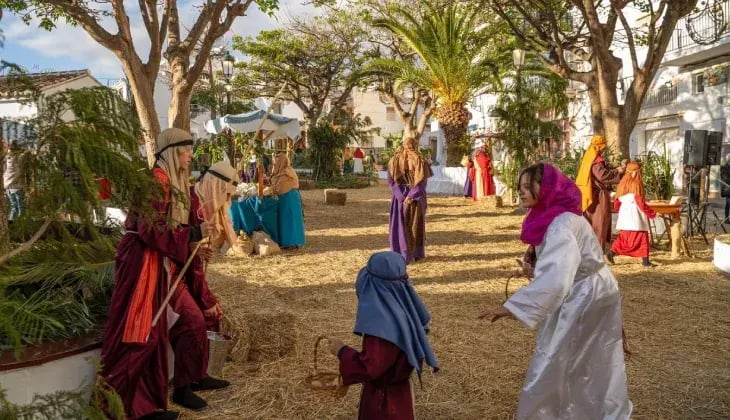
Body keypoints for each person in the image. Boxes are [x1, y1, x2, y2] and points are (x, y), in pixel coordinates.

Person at [478, 163, 632, 420]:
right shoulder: (554, 216)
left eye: (529, 186)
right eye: (520, 187)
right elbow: (563, 263)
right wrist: (533, 269)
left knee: (559, 360)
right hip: (588, 290)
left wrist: (511, 307)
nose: (522, 192)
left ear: (548, 187)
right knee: (588, 360)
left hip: (585, 297)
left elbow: (557, 279)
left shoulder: (561, 223)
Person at [100, 128, 227, 420]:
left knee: (152, 335)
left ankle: (144, 407)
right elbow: (149, 230)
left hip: (154, 261)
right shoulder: (156, 182)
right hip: (141, 264)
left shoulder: (167, 181)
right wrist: (192, 233)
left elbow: (162, 229)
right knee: (138, 334)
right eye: (186, 150)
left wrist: (191, 236)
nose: (191, 156)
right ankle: (117, 409)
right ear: (172, 152)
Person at [327, 251, 439, 420]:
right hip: (400, 394)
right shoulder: (405, 309)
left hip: (383, 404)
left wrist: (341, 351)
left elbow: (372, 367)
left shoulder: (382, 327)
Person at [387, 136, 433, 263]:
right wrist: (409, 196)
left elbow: (391, 182)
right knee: (412, 225)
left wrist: (403, 196)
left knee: (405, 225)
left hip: (403, 199)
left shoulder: (395, 160)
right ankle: (410, 254)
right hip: (411, 199)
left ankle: (403, 253)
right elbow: (422, 183)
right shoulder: (420, 161)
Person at [576, 134, 625, 250]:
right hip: (596, 196)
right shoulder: (596, 160)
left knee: (593, 221)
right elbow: (602, 176)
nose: (604, 149)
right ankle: (597, 249)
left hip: (590, 194)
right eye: (603, 147)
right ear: (599, 146)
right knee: (600, 222)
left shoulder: (588, 158)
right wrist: (617, 171)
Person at [607, 162, 657, 267]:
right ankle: (645, 262)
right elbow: (641, 203)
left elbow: (617, 203)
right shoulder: (636, 184)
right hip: (635, 217)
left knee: (624, 239)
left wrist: (620, 210)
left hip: (625, 216)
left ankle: (644, 261)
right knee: (640, 238)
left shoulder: (622, 184)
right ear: (635, 173)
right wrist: (652, 213)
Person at [270, 153, 305, 249]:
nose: (275, 164)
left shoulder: (287, 172)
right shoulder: (281, 171)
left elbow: (281, 187)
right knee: (287, 220)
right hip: (286, 198)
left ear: (282, 162)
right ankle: (291, 242)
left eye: (277, 162)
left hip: (289, 198)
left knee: (290, 220)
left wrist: (271, 189)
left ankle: (292, 243)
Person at [3, 140, 24, 221]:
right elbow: (20, 167)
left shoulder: (6, 157)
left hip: (8, 185)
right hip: (16, 185)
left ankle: (11, 222)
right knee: (19, 207)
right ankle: (20, 223)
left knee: (13, 206)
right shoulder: (17, 157)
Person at [721, 153, 730, 224]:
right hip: (728, 189)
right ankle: (726, 219)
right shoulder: (724, 167)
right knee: (728, 203)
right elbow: (725, 178)